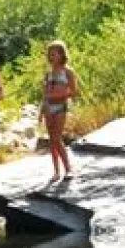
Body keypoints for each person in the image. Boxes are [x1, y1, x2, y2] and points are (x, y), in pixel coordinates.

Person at [40, 40, 78, 180]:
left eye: (54, 54)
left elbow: (74, 92)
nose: (51, 57)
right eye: (49, 54)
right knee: (52, 140)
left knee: (57, 138)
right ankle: (56, 172)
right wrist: (41, 111)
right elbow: (44, 94)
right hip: (48, 107)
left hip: (61, 107)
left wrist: (58, 95)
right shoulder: (48, 73)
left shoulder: (68, 71)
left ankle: (68, 169)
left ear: (62, 54)